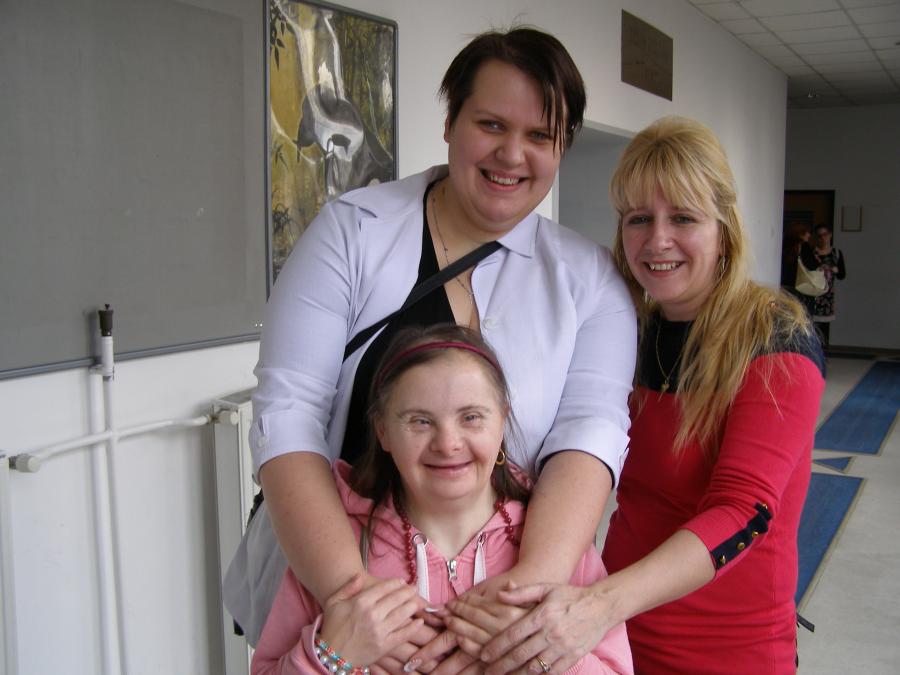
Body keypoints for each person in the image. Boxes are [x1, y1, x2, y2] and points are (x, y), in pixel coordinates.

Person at [224, 26, 637, 671]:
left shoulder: (589, 281)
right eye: (491, 124)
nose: (512, 153)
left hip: (504, 599)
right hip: (335, 581)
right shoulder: (352, 233)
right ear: (450, 122)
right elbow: (288, 415)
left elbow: (590, 435)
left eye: (540, 135)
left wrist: (524, 603)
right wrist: (354, 605)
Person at [449, 117, 825, 674]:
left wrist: (599, 606)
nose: (657, 240)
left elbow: (742, 511)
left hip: (727, 649)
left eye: (684, 218)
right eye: (639, 219)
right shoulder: (625, 329)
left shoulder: (774, 338)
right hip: (614, 639)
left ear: (724, 226)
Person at [250, 325, 634, 675]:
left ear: (502, 421)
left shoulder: (557, 541)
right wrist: (330, 655)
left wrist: (547, 660)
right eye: (420, 421)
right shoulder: (334, 546)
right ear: (383, 431)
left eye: (471, 417)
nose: (448, 444)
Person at [810, 224, 846, 349]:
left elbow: (842, 275)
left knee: (825, 327)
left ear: (830, 235)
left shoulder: (836, 253)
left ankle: (823, 351)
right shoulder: (812, 253)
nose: (822, 238)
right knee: (812, 325)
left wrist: (835, 270)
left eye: (825, 234)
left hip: (828, 295)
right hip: (813, 293)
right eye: (819, 236)